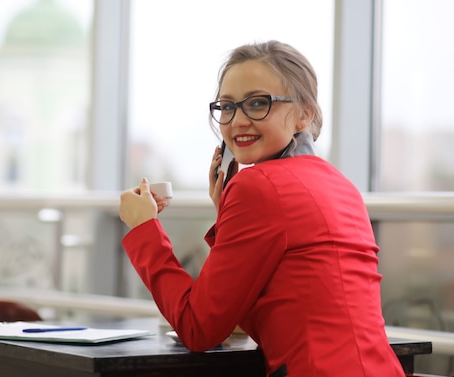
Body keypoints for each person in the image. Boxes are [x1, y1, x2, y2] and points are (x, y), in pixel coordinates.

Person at [119, 40, 405, 377]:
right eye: (227, 106)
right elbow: (261, 302)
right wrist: (226, 214)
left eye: (258, 103)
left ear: (304, 114)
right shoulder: (341, 186)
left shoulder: (257, 187)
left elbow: (198, 327)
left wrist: (144, 230)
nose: (237, 120)